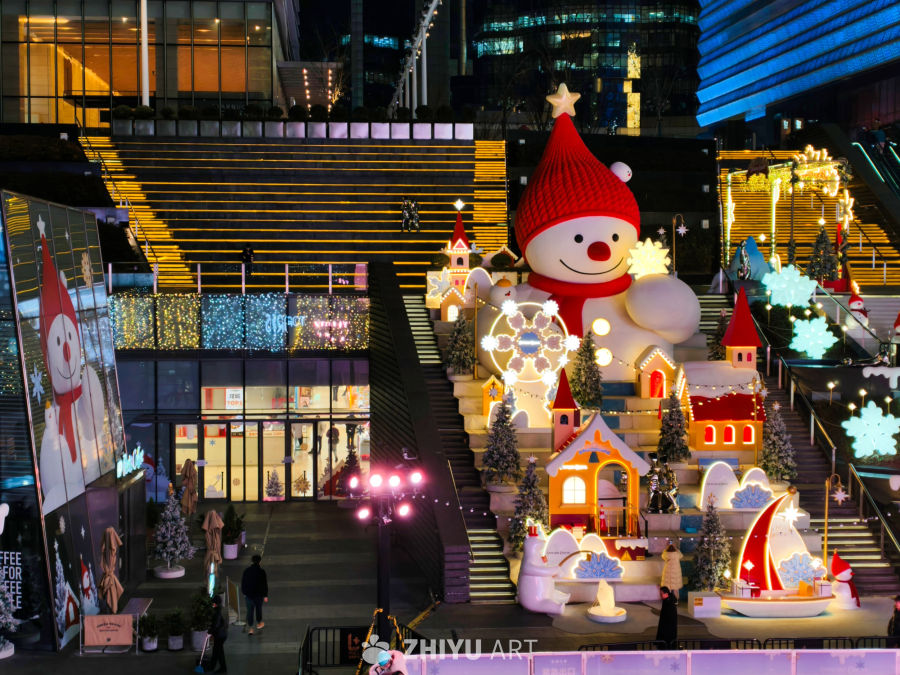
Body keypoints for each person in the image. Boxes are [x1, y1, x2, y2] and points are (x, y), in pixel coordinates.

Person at [241, 554, 268, 636]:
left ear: (252, 561)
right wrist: (265, 595)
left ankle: (251, 629)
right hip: (259, 596)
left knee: (250, 611)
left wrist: (244, 593)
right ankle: (259, 623)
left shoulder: (246, 571)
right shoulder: (262, 572)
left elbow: (243, 583)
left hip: (249, 595)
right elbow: (264, 585)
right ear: (260, 561)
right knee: (258, 609)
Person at [207, 595, 228, 673]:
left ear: (215, 603)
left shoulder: (217, 612)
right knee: (216, 651)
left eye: (213, 603)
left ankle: (223, 668)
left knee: (219, 652)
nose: (212, 604)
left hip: (220, 635)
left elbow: (216, 625)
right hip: (221, 634)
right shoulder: (219, 609)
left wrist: (210, 632)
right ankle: (212, 666)